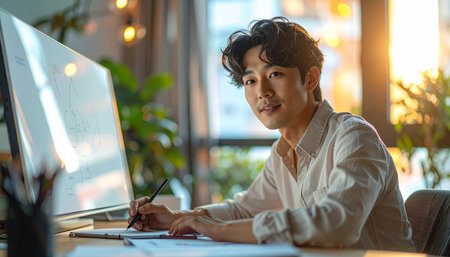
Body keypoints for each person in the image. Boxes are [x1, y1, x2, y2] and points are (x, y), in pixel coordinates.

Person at [128, 17, 415, 251]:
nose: (262, 92)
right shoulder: (282, 153)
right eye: (250, 80)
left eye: (274, 74)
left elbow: (337, 224)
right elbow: (243, 210)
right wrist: (176, 217)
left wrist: (217, 230)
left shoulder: (353, 137)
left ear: (311, 79)